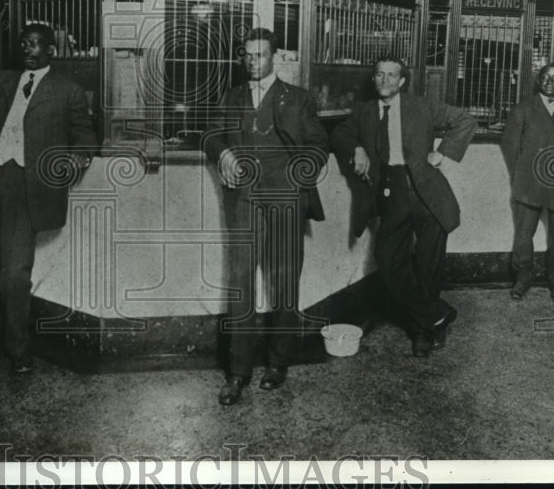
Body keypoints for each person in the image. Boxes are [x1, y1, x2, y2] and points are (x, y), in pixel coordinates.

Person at [0, 24, 95, 377]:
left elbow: (85, 139)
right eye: (25, 44)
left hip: (26, 190)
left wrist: (74, 160)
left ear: (51, 51)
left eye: (37, 44)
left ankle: (18, 349)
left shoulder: (67, 91)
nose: (29, 49)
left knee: (14, 277)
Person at [204, 28, 329, 405]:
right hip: (243, 201)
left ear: (274, 57)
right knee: (241, 285)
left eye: (260, 55)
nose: (252, 61)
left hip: (286, 202)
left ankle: (279, 363)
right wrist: (223, 153)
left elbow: (319, 146)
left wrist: (297, 179)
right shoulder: (232, 97)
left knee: (284, 284)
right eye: (247, 55)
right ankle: (237, 373)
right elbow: (211, 135)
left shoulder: (299, 99)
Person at [331, 57, 476, 358]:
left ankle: (425, 331)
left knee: (428, 264)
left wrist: (442, 154)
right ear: (374, 79)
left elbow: (465, 120)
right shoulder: (364, 110)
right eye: (379, 74)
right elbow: (339, 133)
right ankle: (437, 313)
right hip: (392, 190)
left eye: (391, 75)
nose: (384, 80)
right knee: (387, 258)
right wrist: (355, 148)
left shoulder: (421, 106)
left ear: (402, 81)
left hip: (427, 190)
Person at [500, 63, 554, 303]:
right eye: (545, 77)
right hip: (528, 184)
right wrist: (523, 175)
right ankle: (522, 278)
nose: (550, 82)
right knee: (523, 235)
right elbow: (511, 147)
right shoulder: (522, 110)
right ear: (538, 81)